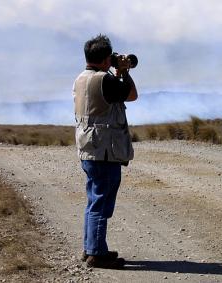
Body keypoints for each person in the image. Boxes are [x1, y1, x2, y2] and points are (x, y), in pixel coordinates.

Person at [72, 34, 138, 269]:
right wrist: (124, 72)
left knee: (94, 200)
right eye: (110, 57)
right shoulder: (104, 80)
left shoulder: (81, 78)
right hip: (104, 150)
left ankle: (91, 248)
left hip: (89, 148)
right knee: (102, 202)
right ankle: (96, 254)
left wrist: (116, 71)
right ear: (104, 58)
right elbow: (131, 95)